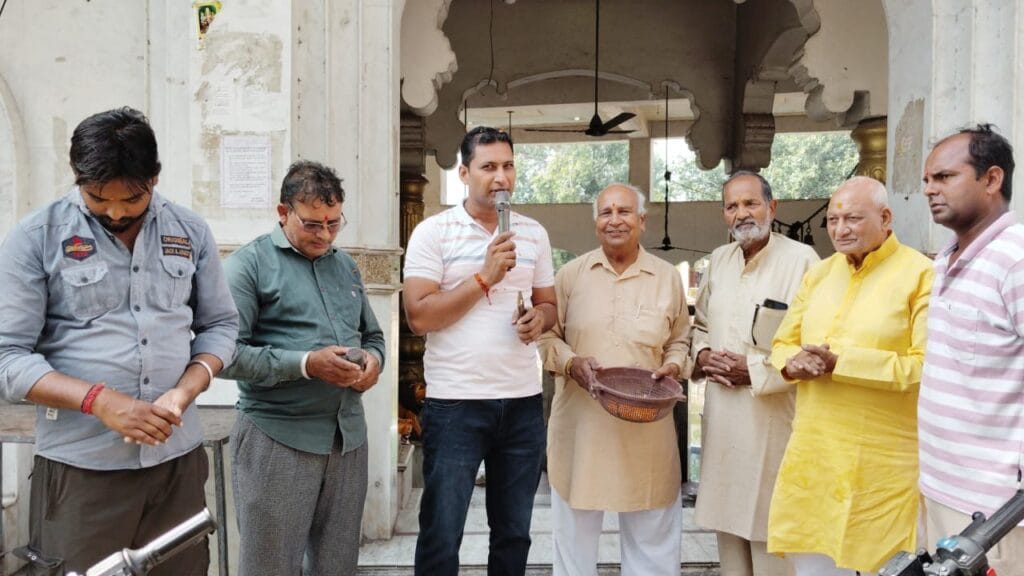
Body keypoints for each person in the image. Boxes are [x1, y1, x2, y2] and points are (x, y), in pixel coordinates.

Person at [0, 106, 239, 575]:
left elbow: (220, 327)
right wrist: (100, 401)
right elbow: (7, 358)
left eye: (131, 199)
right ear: (77, 177)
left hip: (176, 465)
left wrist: (185, 390)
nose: (115, 212)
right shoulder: (36, 238)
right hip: (82, 471)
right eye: (97, 198)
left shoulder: (189, 231)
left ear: (154, 178)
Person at [403, 126, 557, 576]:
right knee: (441, 531)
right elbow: (419, 317)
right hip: (456, 404)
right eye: (488, 167)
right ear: (464, 173)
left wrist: (539, 319)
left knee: (514, 533)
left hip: (522, 403)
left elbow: (550, 306)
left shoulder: (533, 233)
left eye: (508, 166)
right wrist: (485, 277)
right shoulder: (434, 232)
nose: (501, 177)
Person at [220, 160, 385, 576]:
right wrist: (307, 365)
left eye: (334, 223)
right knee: (270, 567)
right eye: (312, 224)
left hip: (347, 440)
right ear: (283, 212)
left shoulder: (344, 265)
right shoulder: (248, 265)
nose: (325, 235)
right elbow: (225, 355)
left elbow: (373, 336)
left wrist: (373, 362)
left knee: (337, 567)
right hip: (278, 438)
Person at [767, 176, 933, 575]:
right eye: (833, 220)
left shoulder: (922, 275)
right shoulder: (820, 274)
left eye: (853, 219)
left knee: (884, 562)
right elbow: (782, 343)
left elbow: (925, 367)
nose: (840, 230)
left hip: (883, 463)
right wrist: (793, 363)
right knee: (813, 560)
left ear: (886, 218)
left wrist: (841, 364)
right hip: (816, 455)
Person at [537, 183, 691, 576]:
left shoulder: (666, 277)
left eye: (624, 211)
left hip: (647, 431)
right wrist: (571, 363)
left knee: (653, 546)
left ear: (642, 220)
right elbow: (546, 337)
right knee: (573, 549)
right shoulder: (570, 276)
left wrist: (673, 366)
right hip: (581, 431)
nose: (615, 220)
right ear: (595, 223)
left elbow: (680, 340)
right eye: (606, 212)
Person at [690, 172, 817, 576]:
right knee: (728, 531)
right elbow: (701, 325)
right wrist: (703, 355)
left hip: (772, 420)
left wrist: (754, 370)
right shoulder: (719, 260)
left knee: (769, 533)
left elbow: (815, 344)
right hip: (723, 419)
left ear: (772, 208)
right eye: (732, 206)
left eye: (751, 204)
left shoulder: (803, 261)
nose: (742, 213)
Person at [919, 125, 1024, 574]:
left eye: (944, 177)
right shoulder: (946, 260)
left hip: (999, 515)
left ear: (992, 178)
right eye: (927, 180)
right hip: (943, 490)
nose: (930, 190)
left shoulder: (1015, 259)